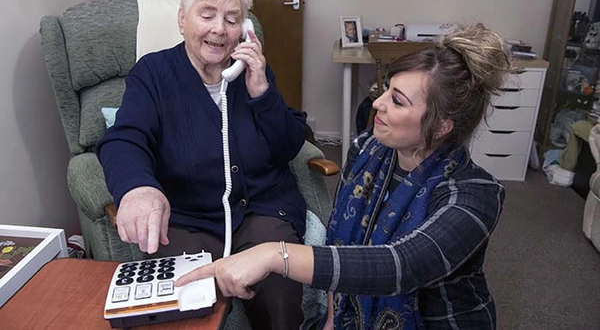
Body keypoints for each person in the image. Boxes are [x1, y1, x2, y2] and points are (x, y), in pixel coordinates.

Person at [176, 23, 513, 330]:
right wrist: (333, 322)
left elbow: (400, 265)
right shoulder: (369, 149)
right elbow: (343, 241)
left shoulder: (475, 196)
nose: (377, 103)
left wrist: (271, 255)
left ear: (441, 126)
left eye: (397, 101)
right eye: (384, 90)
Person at [96, 0, 306, 329]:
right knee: (186, 307)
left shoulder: (252, 70)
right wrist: (137, 188)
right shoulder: (153, 74)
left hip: (262, 210)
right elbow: (125, 137)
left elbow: (289, 147)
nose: (218, 29)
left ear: (244, 28)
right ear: (182, 20)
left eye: (231, 18)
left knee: (280, 296)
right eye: (206, 14)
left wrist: (262, 92)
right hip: (188, 218)